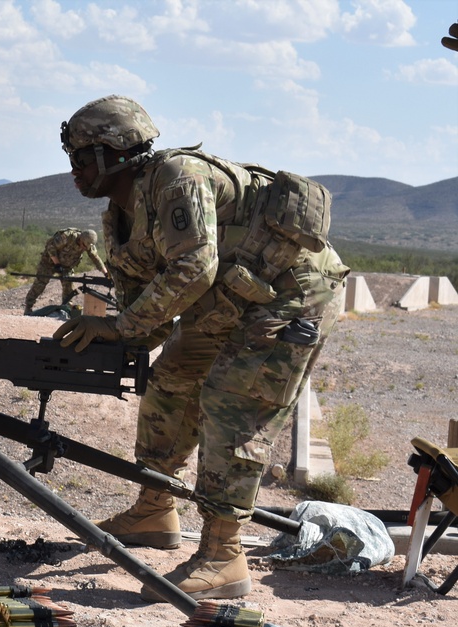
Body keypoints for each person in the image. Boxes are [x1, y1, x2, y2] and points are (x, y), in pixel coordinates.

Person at [53, 95, 349, 600]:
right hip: (229, 298)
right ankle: (155, 509)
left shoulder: (176, 176)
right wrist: (96, 341)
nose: (74, 170)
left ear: (114, 153)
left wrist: (121, 327)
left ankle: (223, 557)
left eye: (81, 157)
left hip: (290, 291)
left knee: (231, 402)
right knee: (170, 384)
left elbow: (194, 268)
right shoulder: (117, 217)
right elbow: (142, 306)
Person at [24, 228, 109, 314]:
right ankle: (28, 306)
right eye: (83, 245)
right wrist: (57, 264)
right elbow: (51, 247)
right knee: (40, 283)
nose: (84, 248)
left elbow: (96, 258)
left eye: (86, 247)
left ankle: (65, 308)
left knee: (68, 286)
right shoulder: (68, 236)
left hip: (66, 267)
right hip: (49, 263)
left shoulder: (88, 244)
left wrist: (106, 273)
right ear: (80, 239)